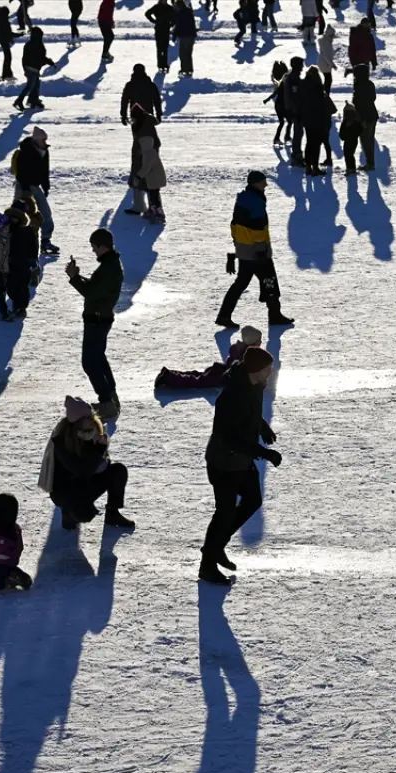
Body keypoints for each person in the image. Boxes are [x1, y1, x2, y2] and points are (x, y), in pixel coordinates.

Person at [199, 346, 280, 585]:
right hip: (223, 463)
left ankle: (217, 546)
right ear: (256, 370)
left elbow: (251, 412)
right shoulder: (231, 397)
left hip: (240, 461)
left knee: (253, 499)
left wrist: (262, 427)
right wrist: (263, 453)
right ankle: (207, 565)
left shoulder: (254, 385)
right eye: (267, 369)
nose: (270, 372)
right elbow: (230, 438)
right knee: (224, 513)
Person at [39, 395, 135, 530]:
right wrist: (99, 449)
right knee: (83, 514)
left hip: (83, 482)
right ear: (76, 421)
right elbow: (82, 471)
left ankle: (112, 514)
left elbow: (98, 465)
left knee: (118, 471)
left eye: (91, 416)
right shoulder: (61, 441)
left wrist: (102, 451)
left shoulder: (93, 432)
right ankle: (68, 512)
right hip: (65, 490)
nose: (92, 421)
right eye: (87, 418)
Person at [218, 171, 295, 328]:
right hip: (257, 252)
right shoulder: (255, 201)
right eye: (263, 182)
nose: (265, 185)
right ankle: (275, 315)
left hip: (246, 251)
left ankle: (224, 315)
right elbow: (258, 229)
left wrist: (237, 251)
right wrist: (261, 250)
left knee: (241, 284)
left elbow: (236, 227)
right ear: (255, 183)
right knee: (270, 281)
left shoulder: (244, 198)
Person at [65, 229, 125, 419]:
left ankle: (107, 402)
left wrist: (74, 277)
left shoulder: (109, 268)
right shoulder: (110, 265)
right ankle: (110, 398)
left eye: (94, 247)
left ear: (102, 246)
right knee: (98, 358)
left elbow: (92, 293)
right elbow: (95, 287)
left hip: (97, 320)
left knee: (90, 362)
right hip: (100, 318)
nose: (93, 251)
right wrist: (78, 277)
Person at [156, 326, 263, 389]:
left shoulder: (243, 350)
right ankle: (167, 377)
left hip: (220, 370)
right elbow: (240, 369)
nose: (261, 342)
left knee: (197, 375)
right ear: (251, 341)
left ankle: (169, 373)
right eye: (259, 340)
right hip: (221, 376)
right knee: (196, 381)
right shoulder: (245, 353)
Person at [13, 126, 57, 254]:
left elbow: (45, 170)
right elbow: (21, 173)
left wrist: (46, 186)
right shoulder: (26, 151)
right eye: (43, 139)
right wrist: (25, 191)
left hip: (35, 187)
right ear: (36, 140)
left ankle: (45, 241)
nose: (45, 141)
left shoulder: (44, 151)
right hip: (23, 187)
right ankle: (17, 242)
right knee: (20, 215)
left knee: (46, 214)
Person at [5, 196, 41, 318]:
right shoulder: (7, 230)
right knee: (11, 287)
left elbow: (33, 247)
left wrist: (33, 260)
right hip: (10, 263)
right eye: (11, 217)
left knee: (22, 287)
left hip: (23, 264)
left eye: (15, 218)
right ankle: (17, 304)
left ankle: (20, 308)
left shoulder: (27, 231)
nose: (12, 220)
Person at [130, 103, 167, 221]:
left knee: (154, 194)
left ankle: (158, 213)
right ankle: (153, 210)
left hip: (154, 175)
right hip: (154, 175)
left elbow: (146, 166)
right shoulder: (147, 126)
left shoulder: (147, 149)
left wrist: (138, 176)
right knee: (153, 193)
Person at [300, 66, 334, 175]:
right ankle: (315, 167)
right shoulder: (318, 87)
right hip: (318, 119)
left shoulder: (303, 85)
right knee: (316, 144)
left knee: (309, 142)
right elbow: (322, 105)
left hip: (307, 119)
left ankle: (308, 167)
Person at [13, 27, 53, 111]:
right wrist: (49, 62)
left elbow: (32, 58)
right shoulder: (37, 45)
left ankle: (32, 100)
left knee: (36, 84)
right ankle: (19, 101)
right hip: (32, 68)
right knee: (30, 86)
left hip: (29, 67)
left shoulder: (29, 44)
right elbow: (40, 57)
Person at [352, 64, 378, 170]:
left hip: (364, 117)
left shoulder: (358, 85)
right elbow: (373, 98)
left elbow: (357, 103)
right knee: (370, 139)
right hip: (373, 114)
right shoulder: (370, 84)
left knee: (365, 140)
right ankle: (371, 162)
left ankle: (370, 163)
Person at [281, 57, 305, 166]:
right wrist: (294, 111)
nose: (302, 67)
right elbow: (292, 96)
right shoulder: (293, 78)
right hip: (296, 110)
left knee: (299, 132)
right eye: (300, 64)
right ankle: (296, 156)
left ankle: (297, 154)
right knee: (298, 133)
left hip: (296, 109)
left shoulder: (292, 76)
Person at [146, 0, 174, 73]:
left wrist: (171, 23)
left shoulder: (169, 8)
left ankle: (165, 64)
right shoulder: (156, 7)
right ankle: (160, 65)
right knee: (159, 48)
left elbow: (175, 16)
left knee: (165, 48)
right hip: (158, 29)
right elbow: (147, 13)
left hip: (166, 29)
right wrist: (154, 21)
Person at [174, 0, 196, 77]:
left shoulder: (180, 13)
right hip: (191, 35)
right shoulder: (189, 12)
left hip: (184, 36)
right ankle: (189, 69)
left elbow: (178, 26)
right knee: (188, 53)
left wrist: (175, 36)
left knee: (183, 53)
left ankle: (184, 69)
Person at [339, 99, 360, 175]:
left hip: (348, 141)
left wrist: (343, 137)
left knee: (348, 155)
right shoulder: (357, 120)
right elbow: (360, 131)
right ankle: (352, 168)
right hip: (354, 140)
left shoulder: (345, 121)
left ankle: (350, 168)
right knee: (350, 154)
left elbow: (341, 133)